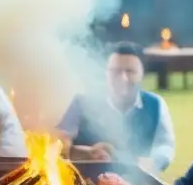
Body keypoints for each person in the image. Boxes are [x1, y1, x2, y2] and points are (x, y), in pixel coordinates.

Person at [57, 42, 175, 172]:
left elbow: (165, 144)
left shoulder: (156, 103)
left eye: (130, 71)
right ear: (106, 73)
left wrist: (154, 162)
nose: (123, 78)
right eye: (115, 71)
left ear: (142, 74)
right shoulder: (82, 102)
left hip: (137, 183)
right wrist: (88, 153)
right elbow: (58, 142)